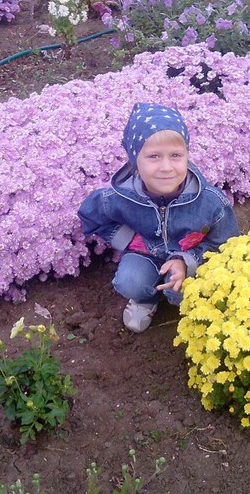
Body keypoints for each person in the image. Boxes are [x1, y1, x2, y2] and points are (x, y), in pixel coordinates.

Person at [78, 103, 240, 333]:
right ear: (135, 162)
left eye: (176, 155)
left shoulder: (210, 202)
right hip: (144, 255)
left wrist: (187, 261)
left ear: (187, 155)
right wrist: (130, 240)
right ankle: (147, 299)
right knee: (130, 281)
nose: (166, 167)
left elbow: (227, 243)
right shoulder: (121, 197)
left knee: (181, 291)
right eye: (154, 156)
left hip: (188, 262)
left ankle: (184, 301)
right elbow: (91, 214)